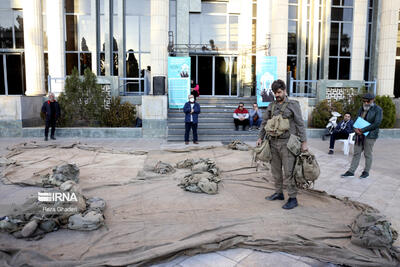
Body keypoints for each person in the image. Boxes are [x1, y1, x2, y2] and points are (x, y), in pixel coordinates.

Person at [256, 79, 307, 210]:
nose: (277, 95)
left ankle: (292, 198)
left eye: (279, 92)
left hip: (288, 144)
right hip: (273, 142)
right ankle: (279, 193)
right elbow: (264, 122)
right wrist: (260, 137)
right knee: (276, 171)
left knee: (289, 171)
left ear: (284, 90)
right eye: (275, 93)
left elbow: (300, 124)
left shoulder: (293, 105)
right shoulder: (271, 105)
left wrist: (304, 142)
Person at [341, 93, 382, 179]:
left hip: (370, 135)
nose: (365, 103)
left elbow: (376, 123)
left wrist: (363, 130)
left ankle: (366, 172)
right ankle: (351, 171)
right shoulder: (361, 108)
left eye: (367, 101)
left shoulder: (378, 110)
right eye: (364, 101)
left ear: (372, 100)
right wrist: (355, 128)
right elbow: (356, 119)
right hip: (359, 135)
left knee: (367, 154)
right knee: (356, 153)